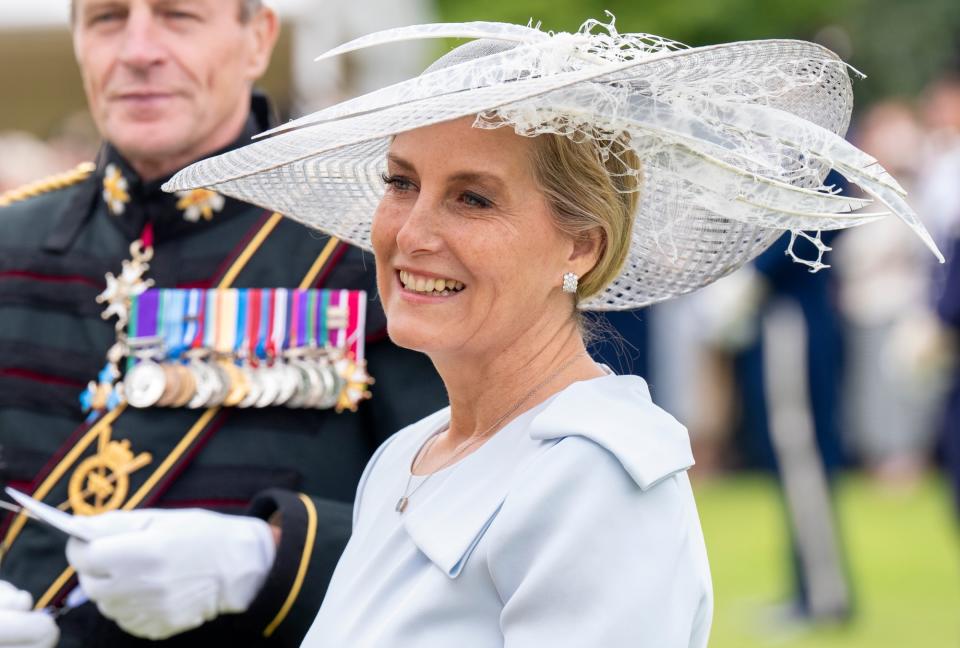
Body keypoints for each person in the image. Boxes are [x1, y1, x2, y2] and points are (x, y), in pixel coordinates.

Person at [168, 18, 944, 647]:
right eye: (402, 182)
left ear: (581, 246)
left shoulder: (595, 481)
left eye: (473, 199)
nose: (412, 232)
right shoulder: (408, 456)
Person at [0, 2, 445, 647]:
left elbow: (462, 521)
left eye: (178, 15)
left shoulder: (366, 247)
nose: (138, 49)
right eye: (107, 18)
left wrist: (266, 556)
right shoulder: (10, 246)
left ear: (257, 39)